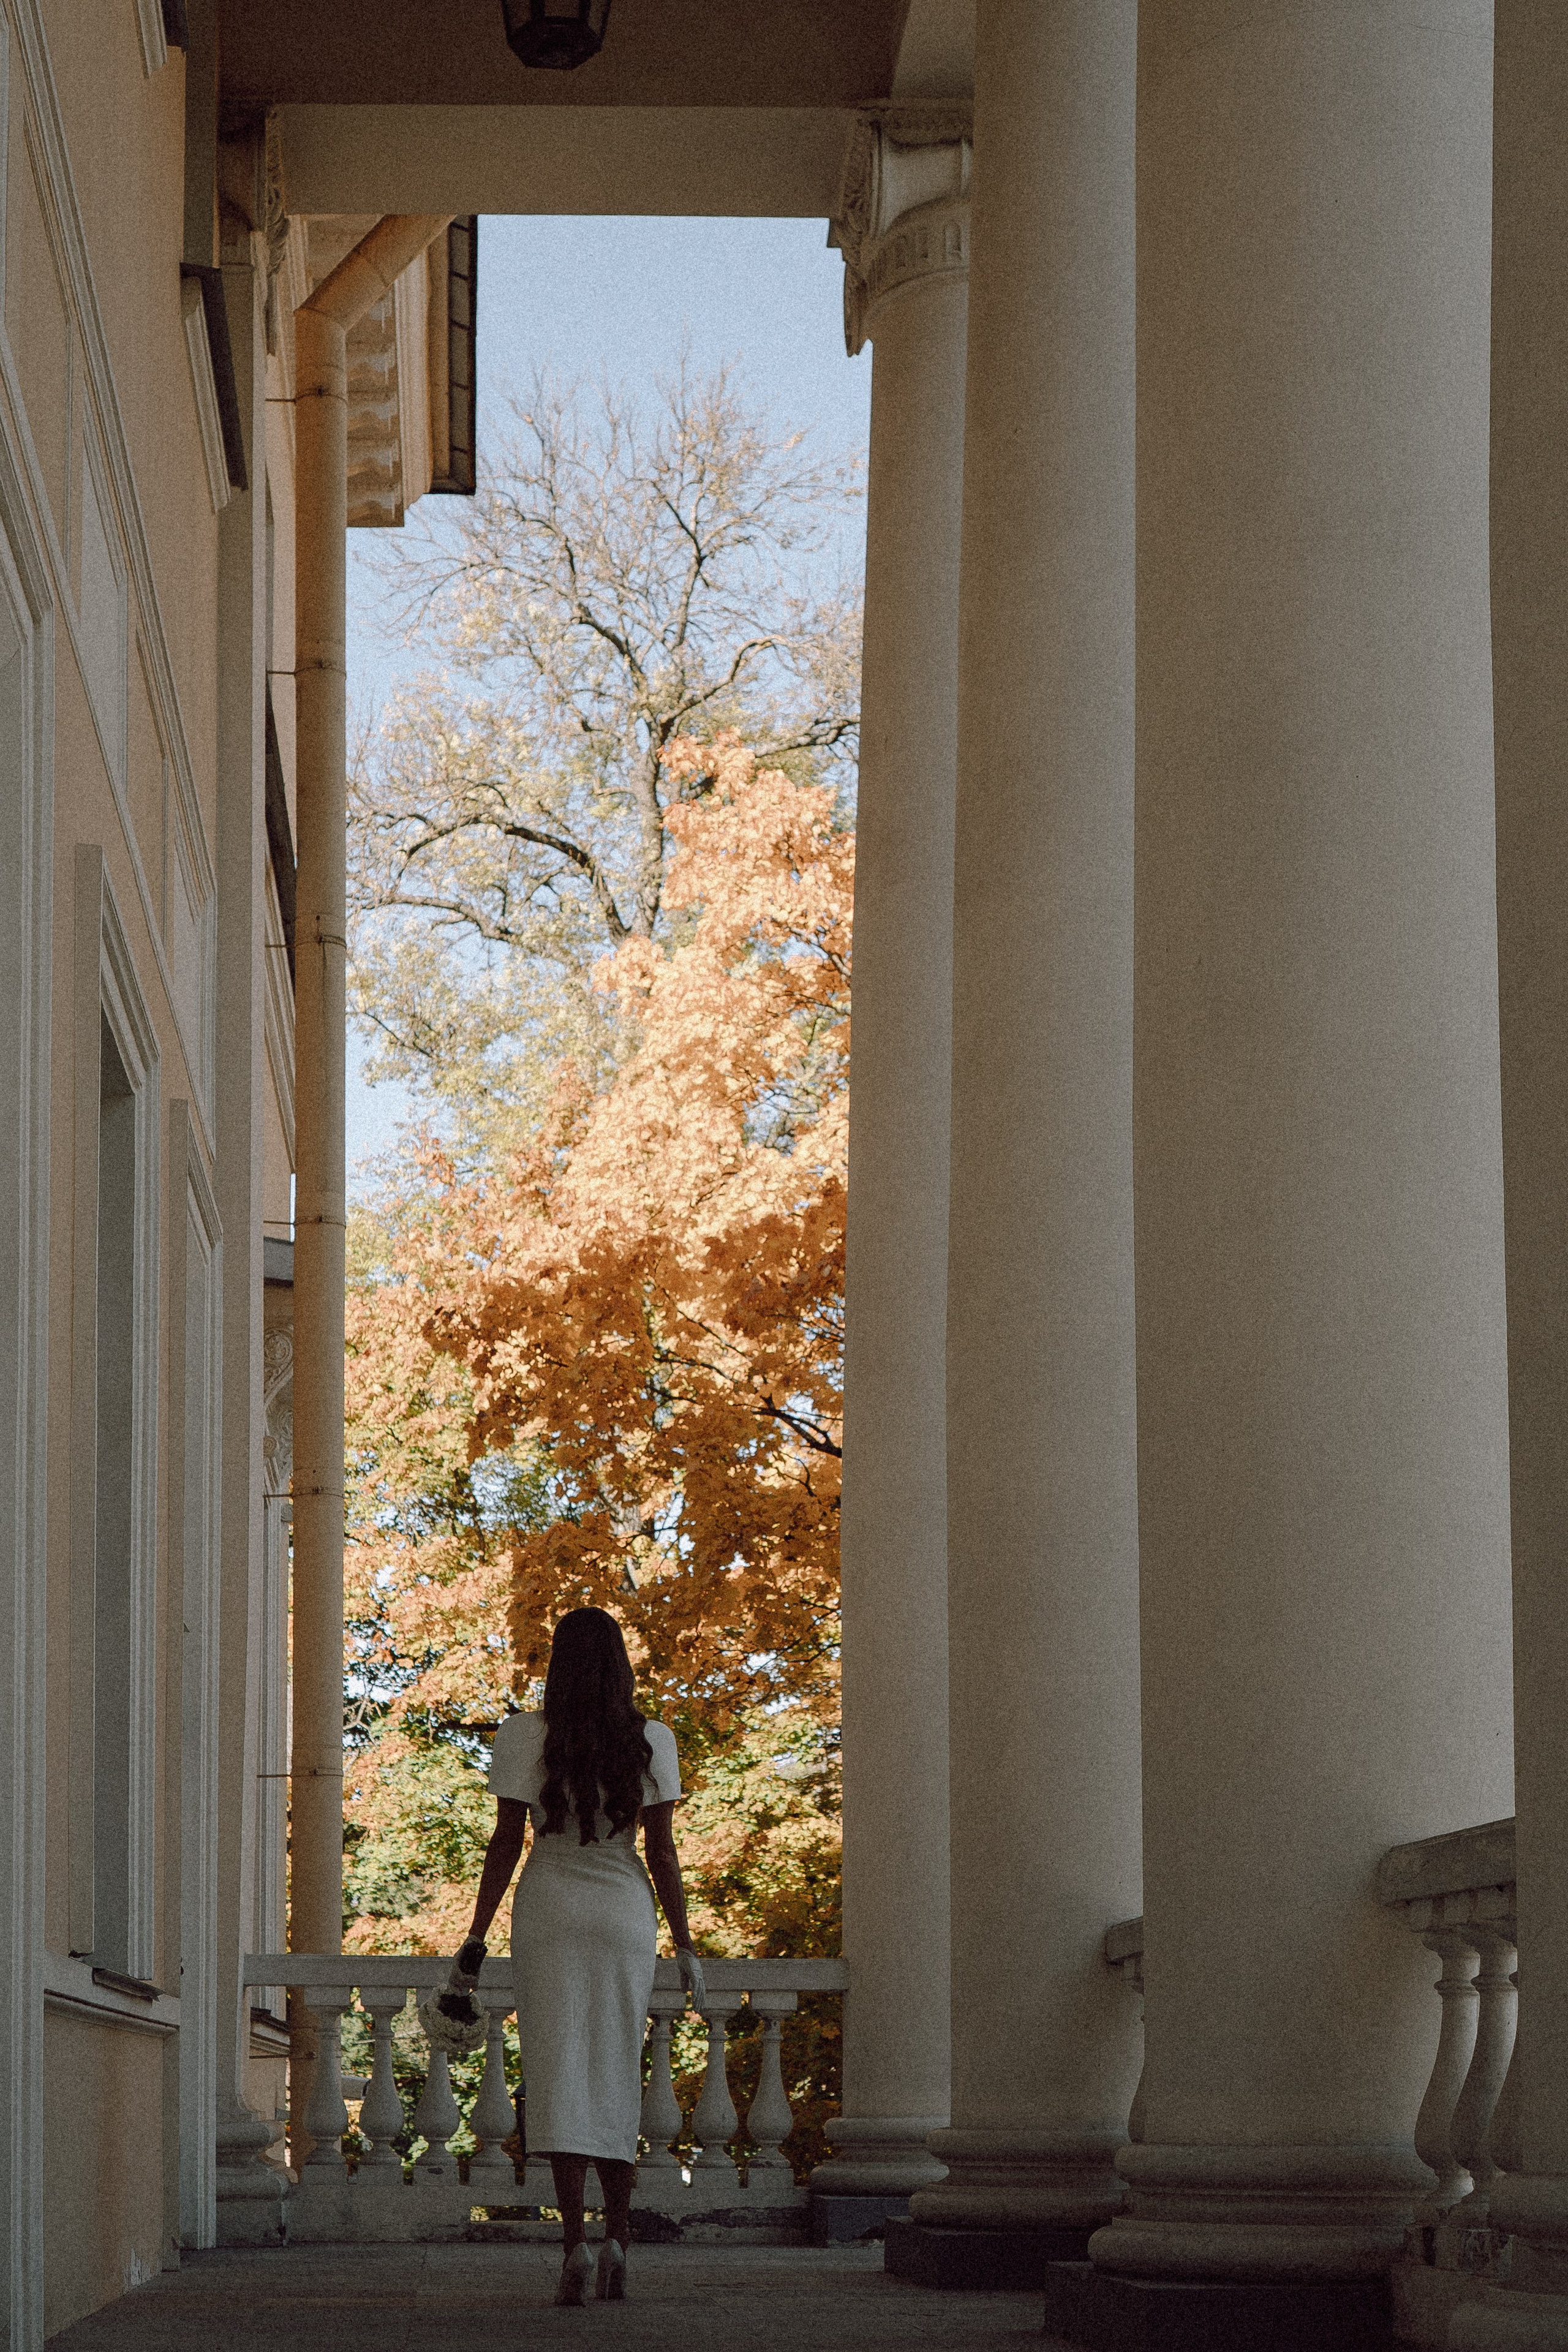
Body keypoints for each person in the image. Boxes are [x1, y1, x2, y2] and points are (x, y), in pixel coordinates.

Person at [453, 1607, 706, 2306]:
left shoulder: (524, 1735)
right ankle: (619, 2238)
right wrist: (685, 1944)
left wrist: (474, 1938)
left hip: (550, 1909)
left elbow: (505, 1842)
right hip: (623, 1912)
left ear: (557, 1664)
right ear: (621, 1665)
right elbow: (662, 1853)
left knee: (558, 2070)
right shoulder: (652, 1739)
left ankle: (575, 2247)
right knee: (616, 2067)